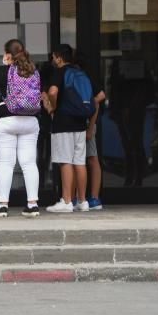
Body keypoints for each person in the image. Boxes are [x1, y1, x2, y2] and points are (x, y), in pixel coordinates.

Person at [0, 38, 54, 218]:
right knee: (29, 163)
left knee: (6, 163)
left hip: (6, 120)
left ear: (7, 55)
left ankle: (2, 206)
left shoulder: (1, 71)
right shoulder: (33, 71)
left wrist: (5, 68)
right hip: (30, 121)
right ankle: (32, 205)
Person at [45, 44, 90, 214]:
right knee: (79, 161)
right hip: (80, 122)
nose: (52, 60)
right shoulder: (80, 72)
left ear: (59, 57)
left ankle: (66, 201)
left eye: (54, 57)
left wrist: (52, 107)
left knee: (65, 161)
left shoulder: (60, 72)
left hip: (63, 122)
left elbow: (53, 92)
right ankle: (83, 201)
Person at [74, 53, 105, 210]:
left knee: (88, 158)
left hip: (86, 122)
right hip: (84, 122)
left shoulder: (83, 79)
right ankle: (84, 197)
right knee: (82, 159)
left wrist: (90, 127)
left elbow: (100, 97)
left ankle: (92, 197)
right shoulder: (80, 79)